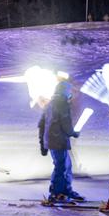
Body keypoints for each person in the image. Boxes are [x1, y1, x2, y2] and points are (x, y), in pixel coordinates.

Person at [38, 74, 84, 202]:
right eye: (69, 92)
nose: (71, 94)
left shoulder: (50, 104)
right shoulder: (62, 103)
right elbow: (66, 123)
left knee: (66, 166)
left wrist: (43, 143)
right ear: (65, 91)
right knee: (61, 166)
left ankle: (65, 190)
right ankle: (55, 192)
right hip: (58, 141)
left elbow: (42, 124)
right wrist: (73, 133)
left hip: (53, 141)